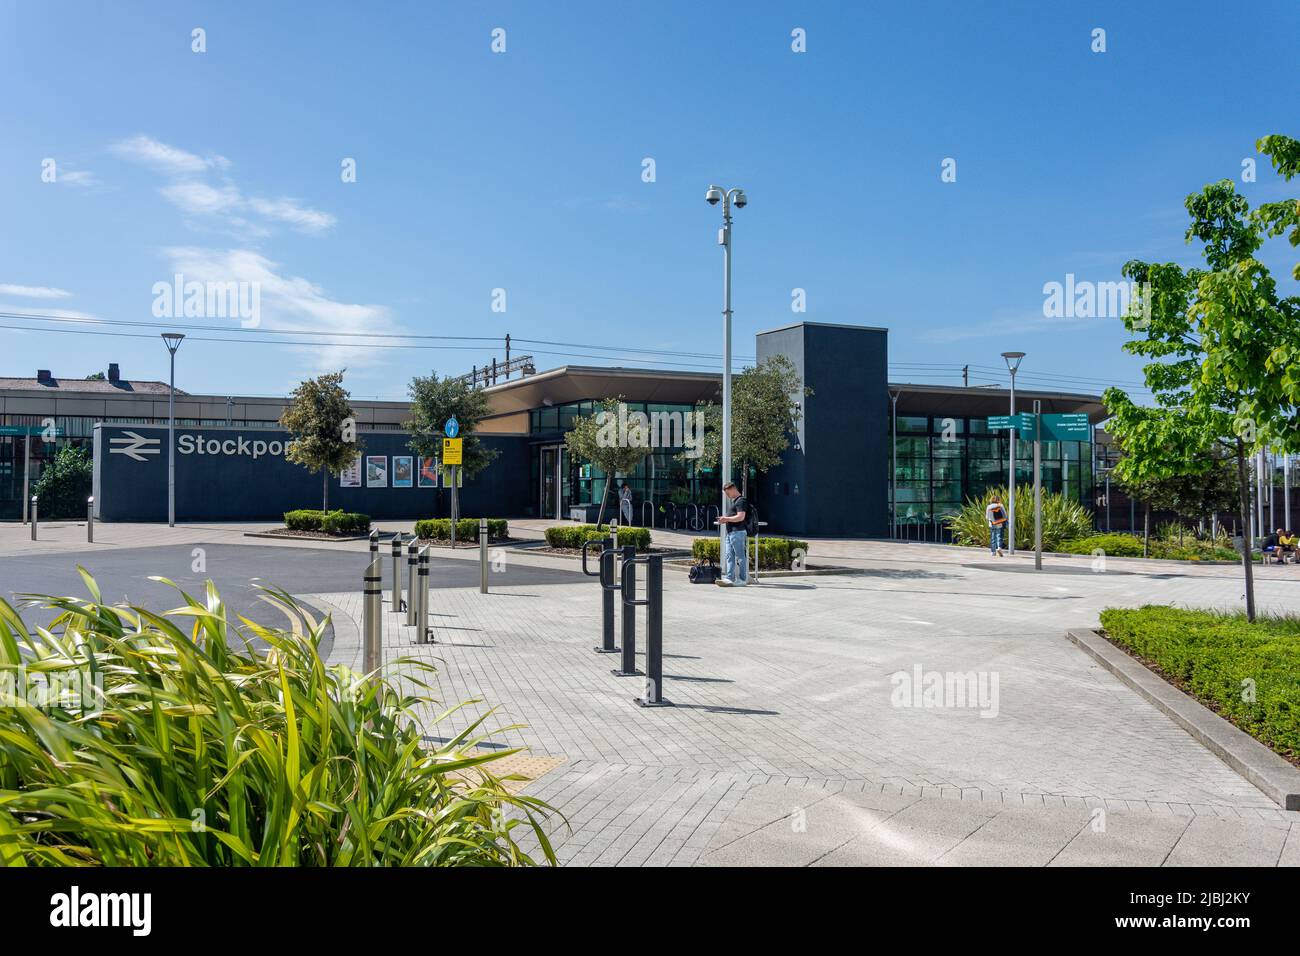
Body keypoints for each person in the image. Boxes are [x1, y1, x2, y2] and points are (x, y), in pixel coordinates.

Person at [716, 481, 750, 587]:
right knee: (729, 555)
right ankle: (730, 577)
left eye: (727, 493)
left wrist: (725, 518)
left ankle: (743, 579)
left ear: (733, 489)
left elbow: (741, 517)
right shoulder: (735, 501)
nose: (727, 495)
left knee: (740, 556)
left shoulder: (741, 501)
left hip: (738, 532)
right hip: (731, 532)